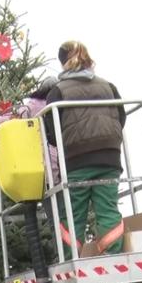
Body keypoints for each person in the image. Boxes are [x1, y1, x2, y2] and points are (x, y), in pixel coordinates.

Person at [44, 40, 126, 256]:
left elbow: (50, 131)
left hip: (76, 161)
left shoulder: (58, 92)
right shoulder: (109, 87)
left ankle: (71, 261)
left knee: (73, 214)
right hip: (109, 158)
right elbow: (121, 118)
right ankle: (113, 255)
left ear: (63, 63)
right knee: (108, 208)